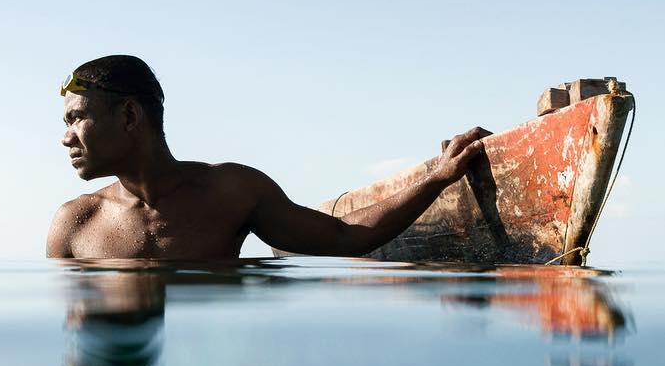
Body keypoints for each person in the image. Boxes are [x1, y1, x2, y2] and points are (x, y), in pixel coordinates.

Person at [47, 55, 490, 260]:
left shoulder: (230, 191)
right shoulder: (73, 226)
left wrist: (438, 176)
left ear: (128, 115)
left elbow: (343, 237)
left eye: (76, 118)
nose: (66, 138)